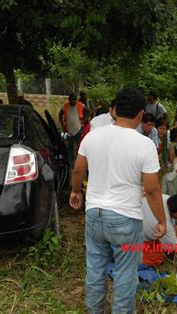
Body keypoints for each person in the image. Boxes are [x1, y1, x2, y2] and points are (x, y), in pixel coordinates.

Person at [69, 88, 166, 313]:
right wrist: (161, 220)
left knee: (95, 267)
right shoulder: (144, 145)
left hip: (94, 214)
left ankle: (95, 310)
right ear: (141, 114)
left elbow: (78, 171)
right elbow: (152, 190)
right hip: (126, 218)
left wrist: (76, 192)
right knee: (125, 273)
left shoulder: (92, 136)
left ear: (115, 110)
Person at [59, 93, 87, 163]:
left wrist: (84, 120)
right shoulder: (65, 106)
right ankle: (71, 162)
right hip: (69, 131)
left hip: (79, 129)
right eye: (72, 99)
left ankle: (81, 161)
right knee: (70, 148)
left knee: (80, 147)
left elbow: (88, 111)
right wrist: (62, 125)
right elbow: (60, 115)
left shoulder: (80, 105)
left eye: (75, 99)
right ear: (69, 100)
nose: (73, 101)